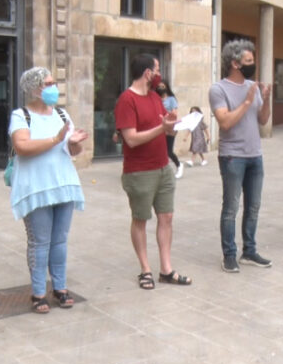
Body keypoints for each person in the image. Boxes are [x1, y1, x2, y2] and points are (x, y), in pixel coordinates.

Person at [8, 67, 88, 313]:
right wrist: (56, 139)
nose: (54, 87)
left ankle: (61, 288)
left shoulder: (62, 115)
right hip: (36, 188)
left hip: (63, 185)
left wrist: (74, 144)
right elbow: (22, 146)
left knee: (60, 240)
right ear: (34, 88)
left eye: (54, 82)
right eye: (48, 83)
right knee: (40, 242)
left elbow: (72, 152)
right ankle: (38, 293)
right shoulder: (21, 116)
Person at [114, 55, 192, 289]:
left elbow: (166, 133)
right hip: (139, 171)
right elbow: (131, 139)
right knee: (140, 219)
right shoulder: (126, 100)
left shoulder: (156, 98)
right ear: (147, 73)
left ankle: (166, 270)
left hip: (163, 168)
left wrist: (173, 126)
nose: (160, 75)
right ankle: (145, 269)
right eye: (157, 70)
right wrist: (162, 128)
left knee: (166, 217)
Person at [209, 39, 273, 273]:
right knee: (231, 208)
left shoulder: (252, 86)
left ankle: (249, 251)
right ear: (235, 63)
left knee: (253, 206)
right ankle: (229, 255)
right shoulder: (219, 89)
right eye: (248, 61)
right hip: (232, 157)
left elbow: (263, 120)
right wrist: (247, 100)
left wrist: (264, 99)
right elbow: (225, 122)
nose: (252, 65)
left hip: (255, 155)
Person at [156, 80, 183, 179]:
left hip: (170, 128)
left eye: (162, 86)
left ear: (166, 87)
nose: (160, 88)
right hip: (158, 128)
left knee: (168, 151)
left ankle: (179, 165)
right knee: (159, 151)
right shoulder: (156, 99)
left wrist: (168, 115)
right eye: (159, 86)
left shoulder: (171, 99)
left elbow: (174, 114)